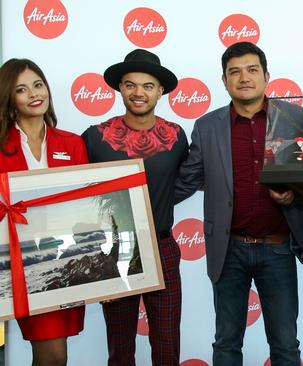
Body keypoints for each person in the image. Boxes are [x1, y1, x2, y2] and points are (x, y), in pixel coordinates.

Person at [174, 41, 303, 366]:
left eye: (251, 70)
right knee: (226, 344)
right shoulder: (207, 127)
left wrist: (295, 194)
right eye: (234, 72)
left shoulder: (295, 118)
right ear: (224, 81)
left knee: (286, 346)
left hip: (278, 248)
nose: (243, 77)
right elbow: (186, 180)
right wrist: (135, 194)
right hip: (228, 250)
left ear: (266, 75)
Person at [82, 49, 188, 366]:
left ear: (160, 91)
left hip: (162, 247)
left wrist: (162, 199)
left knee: (168, 348)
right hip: (115, 251)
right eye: (130, 85)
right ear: (120, 88)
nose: (138, 93)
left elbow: (186, 179)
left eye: (147, 86)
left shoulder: (177, 136)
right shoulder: (95, 137)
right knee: (120, 350)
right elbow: (75, 194)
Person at [0, 58, 87, 366]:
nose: (34, 94)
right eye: (22, 89)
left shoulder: (73, 144)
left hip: (62, 263)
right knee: (52, 355)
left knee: (53, 354)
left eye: (38, 84)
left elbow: (85, 207)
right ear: (10, 97)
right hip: (14, 265)